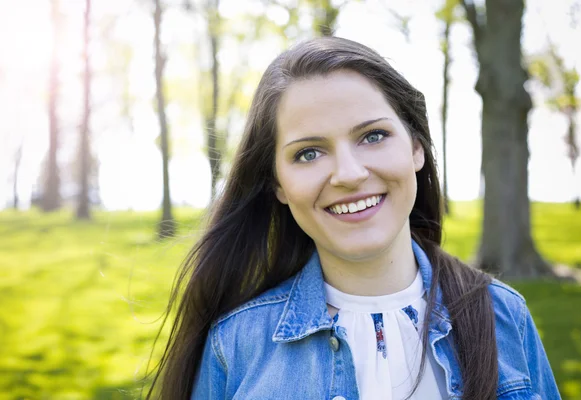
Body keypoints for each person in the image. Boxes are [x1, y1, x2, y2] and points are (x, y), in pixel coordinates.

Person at [147, 37, 560, 400]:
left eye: (373, 136)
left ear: (416, 147)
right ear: (278, 184)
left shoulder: (504, 315)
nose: (349, 174)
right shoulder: (235, 344)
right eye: (308, 153)